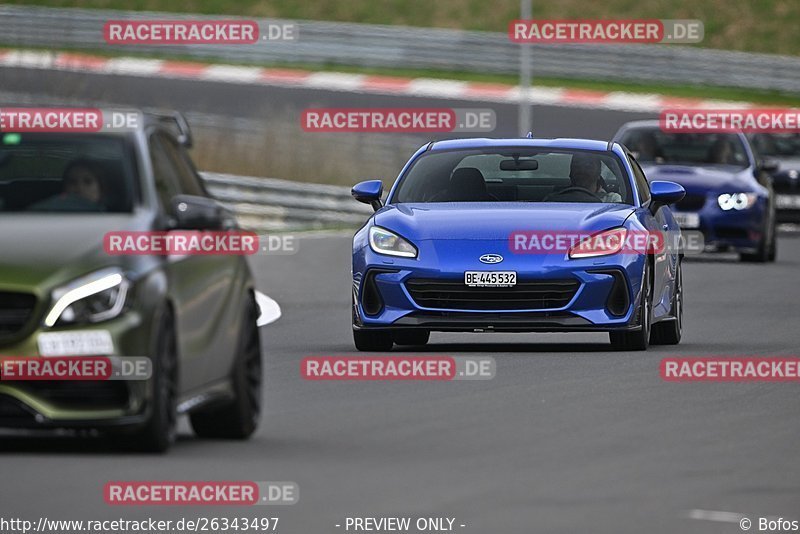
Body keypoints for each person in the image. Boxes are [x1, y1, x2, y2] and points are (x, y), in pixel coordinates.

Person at [28, 159, 106, 211]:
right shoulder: (47, 211)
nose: (79, 188)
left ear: (100, 188)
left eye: (88, 182)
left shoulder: (114, 217)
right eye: (72, 182)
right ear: (65, 188)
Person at [544, 154, 622, 203]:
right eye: (577, 166)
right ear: (570, 172)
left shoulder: (612, 200)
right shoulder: (553, 199)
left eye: (588, 166)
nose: (582, 171)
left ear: (599, 173)